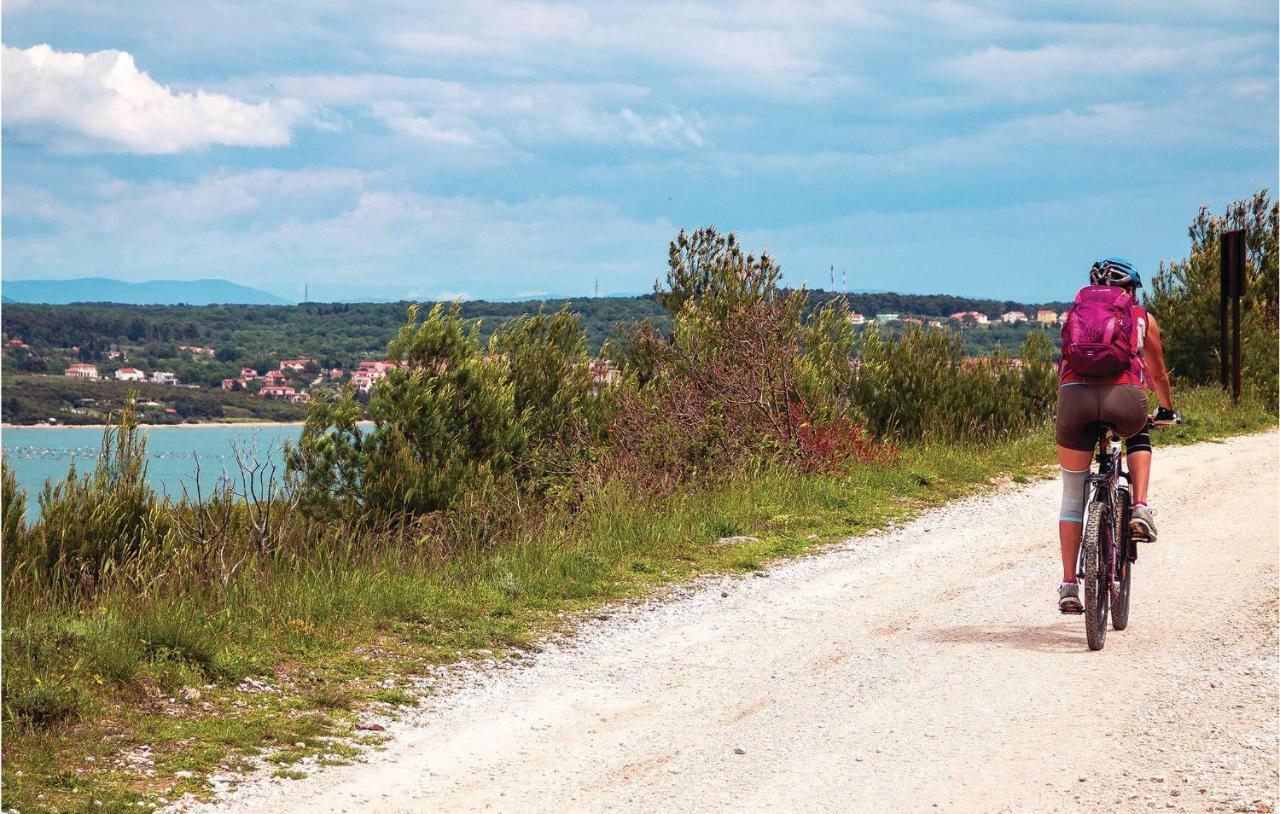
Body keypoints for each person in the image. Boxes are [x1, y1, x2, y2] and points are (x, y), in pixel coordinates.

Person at [1054, 258, 1178, 614]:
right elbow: (1158, 373)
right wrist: (1166, 409)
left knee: (1072, 497)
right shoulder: (1142, 318)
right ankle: (1139, 506)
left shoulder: (1074, 315)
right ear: (1130, 290)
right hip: (1124, 399)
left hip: (1073, 399)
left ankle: (1068, 585)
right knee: (1138, 430)